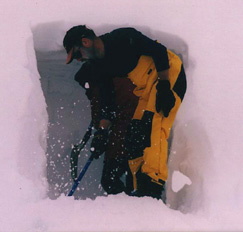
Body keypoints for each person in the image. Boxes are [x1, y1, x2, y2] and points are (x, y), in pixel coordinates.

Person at [63, 25, 187, 199]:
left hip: (167, 74)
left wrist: (165, 86)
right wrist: (102, 132)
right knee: (134, 134)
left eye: (77, 54)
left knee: (152, 126)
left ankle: (152, 185)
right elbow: (108, 100)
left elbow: (158, 51)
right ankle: (138, 188)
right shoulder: (99, 66)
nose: (78, 60)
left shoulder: (123, 38)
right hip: (146, 89)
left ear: (86, 42)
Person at [74, 63, 139, 194]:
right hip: (140, 133)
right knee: (133, 178)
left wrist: (102, 138)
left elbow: (113, 119)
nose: (87, 91)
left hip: (124, 137)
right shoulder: (120, 81)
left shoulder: (100, 89)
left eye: (86, 87)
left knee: (109, 180)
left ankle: (126, 208)